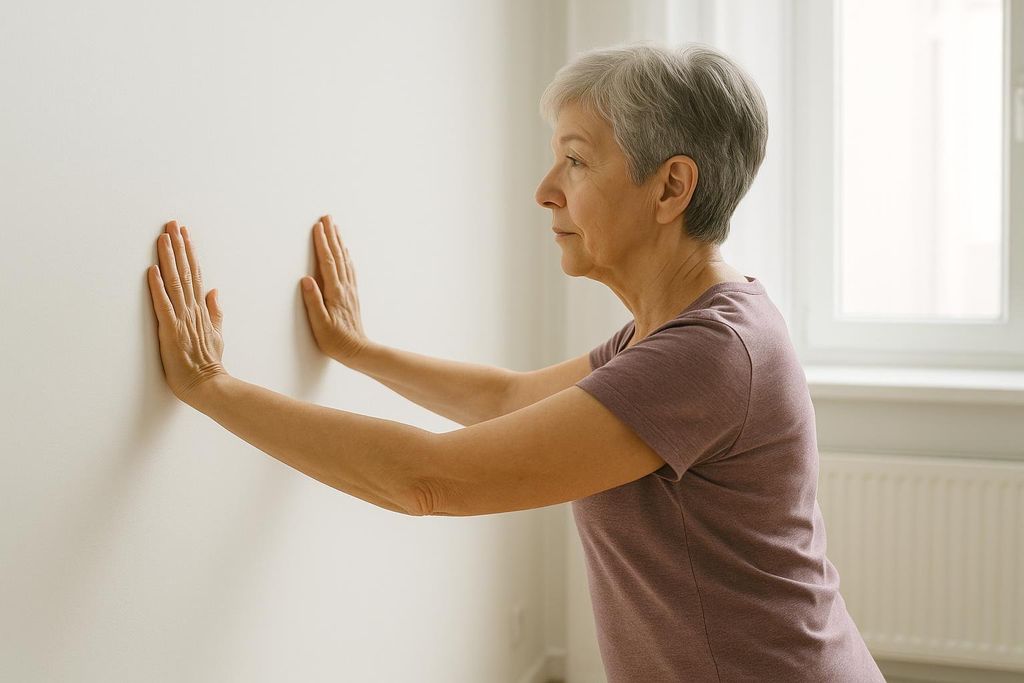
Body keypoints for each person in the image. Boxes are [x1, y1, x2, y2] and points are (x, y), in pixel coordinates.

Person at [148, 40, 885, 683]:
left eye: (575, 159)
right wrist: (359, 350)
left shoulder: (706, 354)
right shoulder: (682, 329)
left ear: (671, 187)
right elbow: (508, 401)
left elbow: (427, 479)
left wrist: (212, 385)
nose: (545, 190)